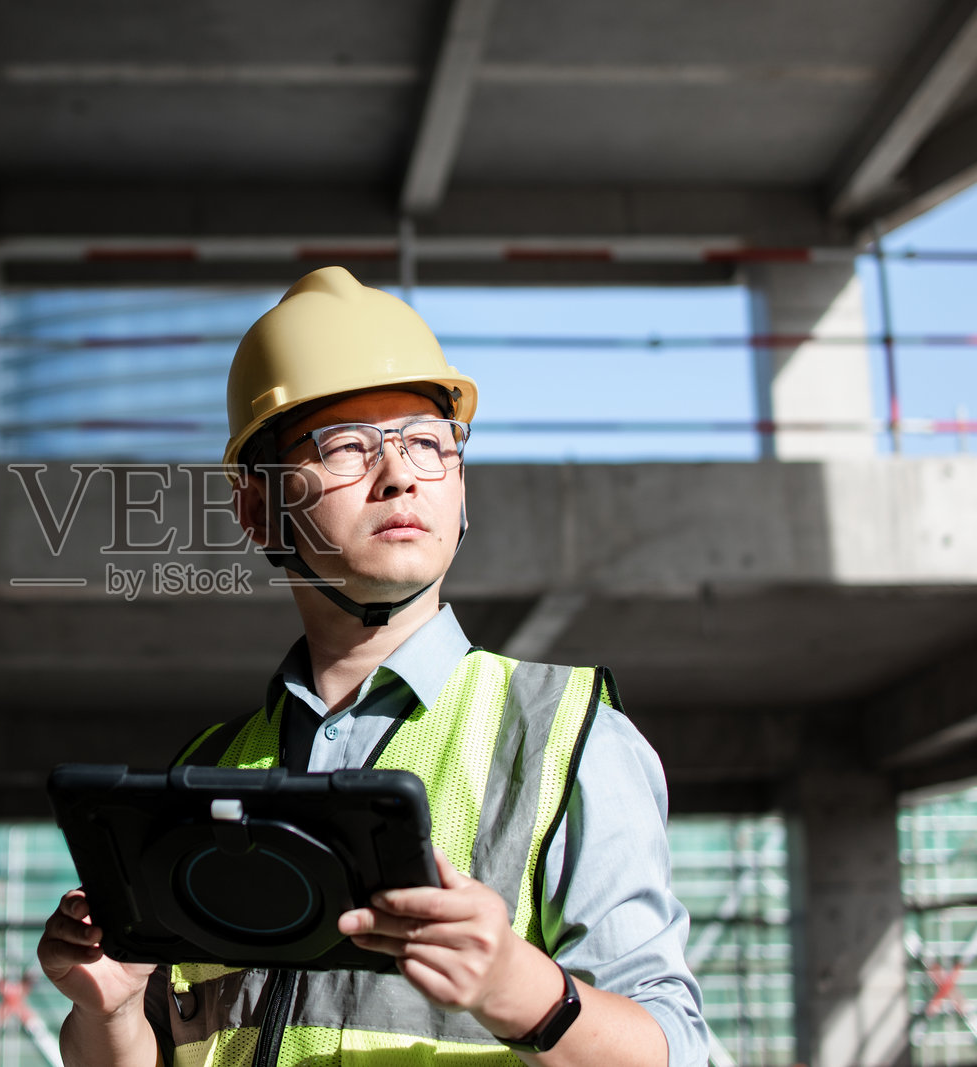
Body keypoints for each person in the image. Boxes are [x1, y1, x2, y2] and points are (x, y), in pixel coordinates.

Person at [37, 266, 708, 1067]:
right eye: (347, 446)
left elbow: (683, 1052)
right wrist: (109, 1012)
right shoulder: (206, 771)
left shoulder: (565, 735)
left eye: (426, 442)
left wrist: (522, 991)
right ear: (258, 507)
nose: (399, 475)